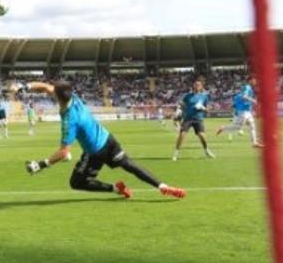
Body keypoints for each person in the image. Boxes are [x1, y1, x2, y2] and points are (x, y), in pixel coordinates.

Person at [22, 80, 185, 199]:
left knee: (77, 182)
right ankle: (157, 186)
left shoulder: (69, 120)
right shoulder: (73, 98)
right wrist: (25, 86)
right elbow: (45, 87)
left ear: (57, 97)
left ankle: (124, 188)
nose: (51, 90)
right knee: (129, 165)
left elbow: (64, 153)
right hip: (107, 139)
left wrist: (41, 164)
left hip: (95, 152)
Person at [173, 79, 214, 160]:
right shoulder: (187, 96)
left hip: (198, 119)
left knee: (202, 136)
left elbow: (208, 109)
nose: (197, 86)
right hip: (187, 119)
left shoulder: (204, 96)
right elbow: (181, 104)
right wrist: (178, 111)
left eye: (199, 85)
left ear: (201, 87)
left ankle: (206, 151)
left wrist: (203, 108)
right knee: (182, 135)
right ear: (193, 86)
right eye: (195, 85)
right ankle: (176, 153)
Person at [216, 76, 261, 147]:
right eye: (254, 80)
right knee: (238, 128)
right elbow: (244, 97)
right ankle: (223, 128)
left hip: (247, 111)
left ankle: (254, 143)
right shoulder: (247, 87)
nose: (255, 81)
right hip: (243, 111)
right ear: (250, 80)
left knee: (252, 125)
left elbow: (240, 98)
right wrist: (254, 101)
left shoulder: (248, 88)